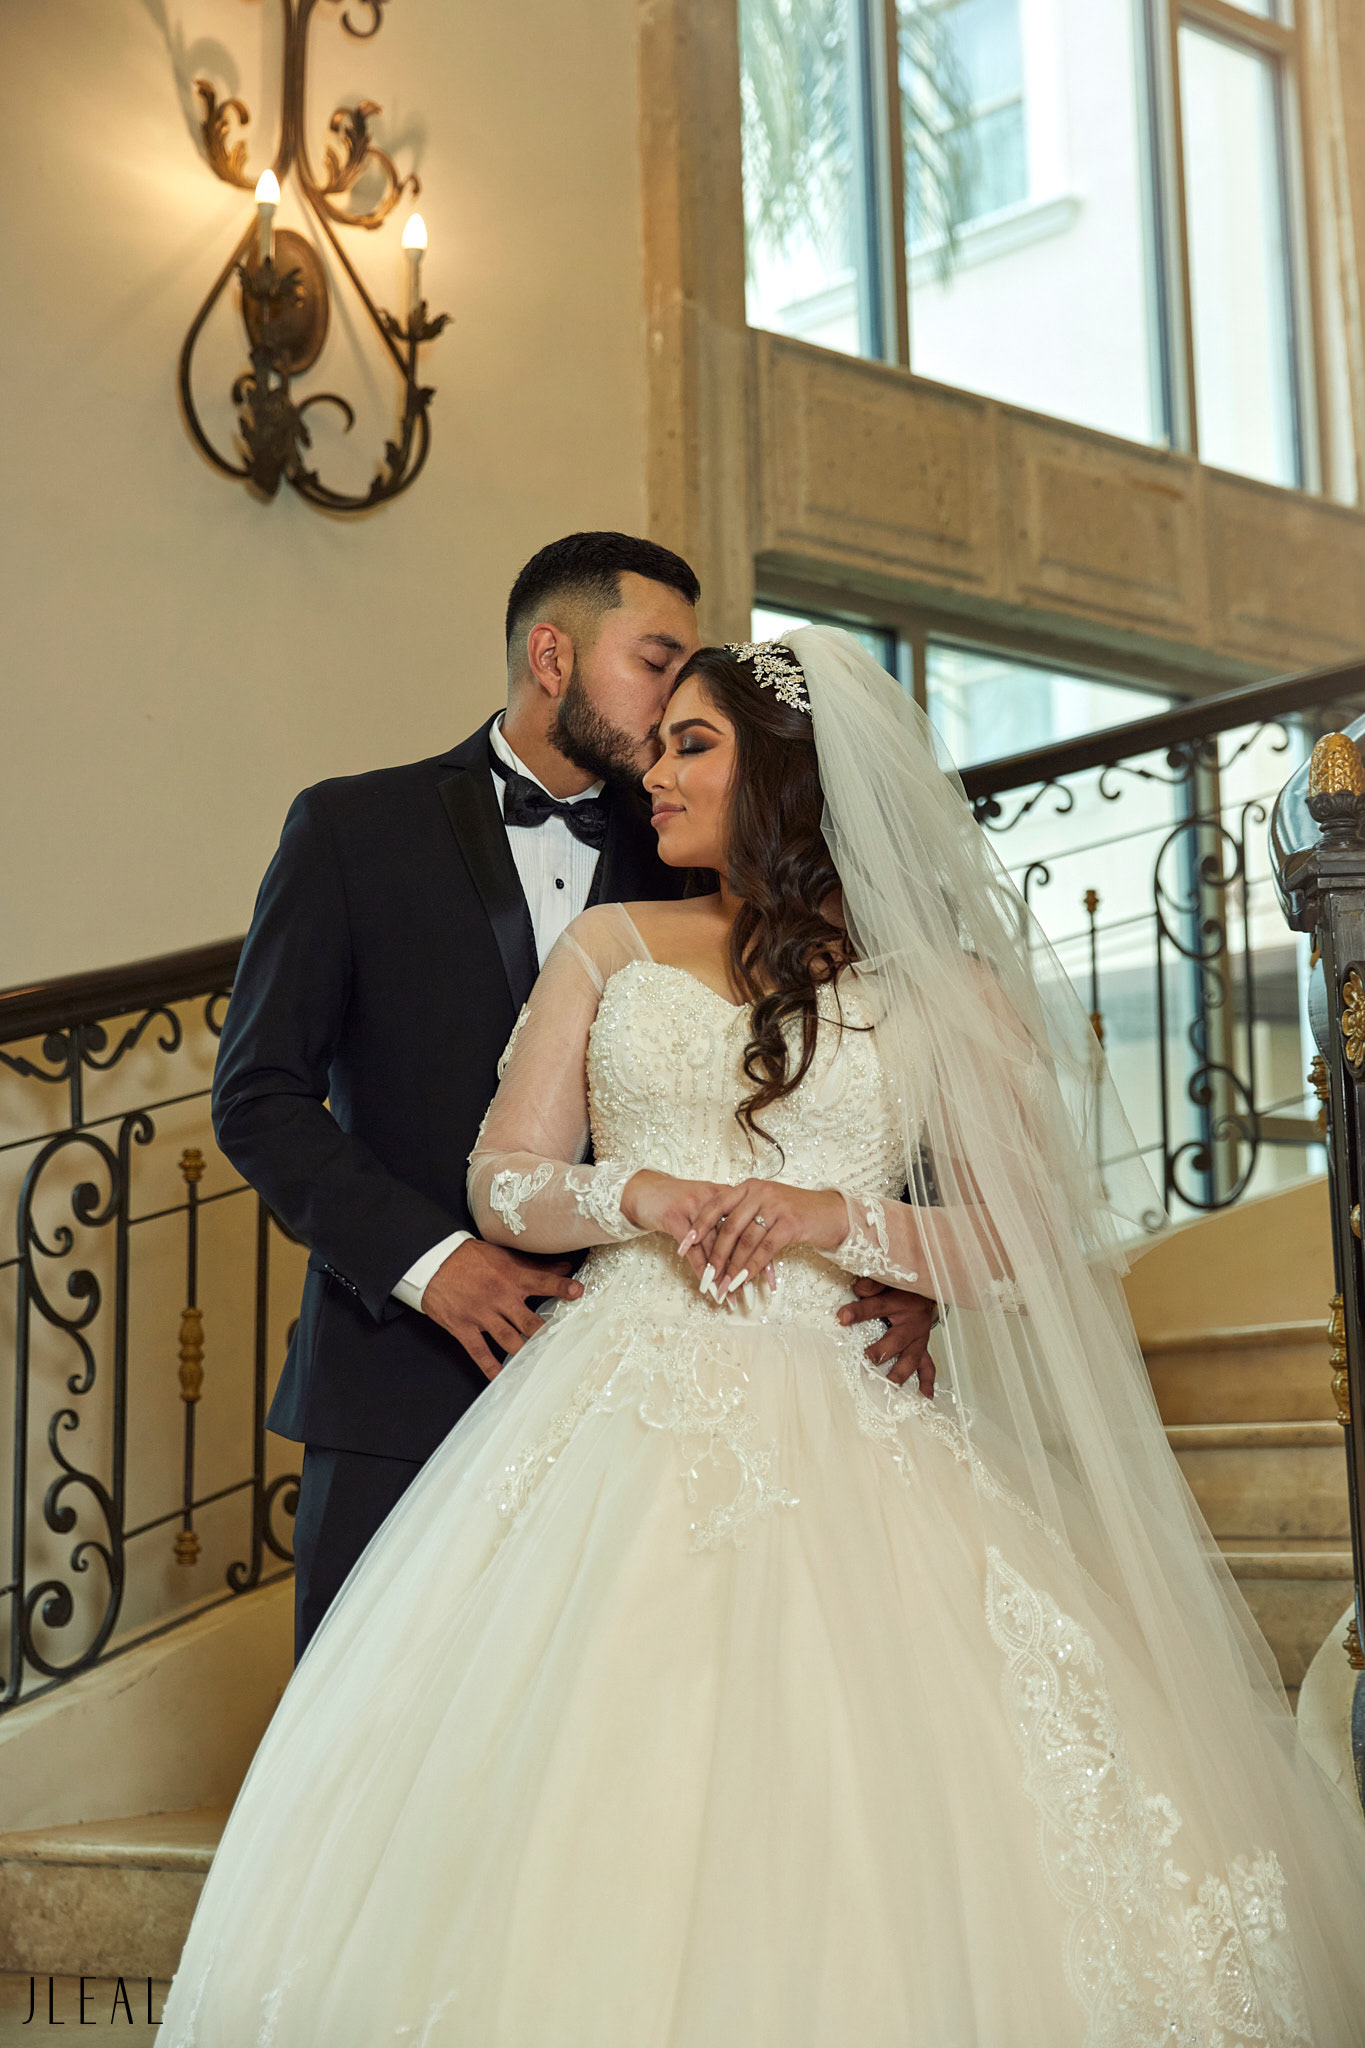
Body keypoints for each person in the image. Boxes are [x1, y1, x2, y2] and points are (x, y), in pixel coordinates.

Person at [163, 629, 1365, 2045]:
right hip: (617, 1398)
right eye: (659, 742)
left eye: (693, 745)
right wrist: (639, 1195)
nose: (653, 775)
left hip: (850, 1403)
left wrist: (830, 1217)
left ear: (790, 778)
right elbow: (501, 1180)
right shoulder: (609, 944)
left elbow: (1026, 1233)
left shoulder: (944, 990)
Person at [212, 537, 933, 1661]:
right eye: (656, 661)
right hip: (401, 1369)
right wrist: (433, 1264)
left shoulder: (698, 843)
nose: (675, 701)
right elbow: (259, 1096)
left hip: (681, 1385)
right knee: (379, 1713)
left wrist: (904, 1266)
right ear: (552, 657)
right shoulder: (354, 829)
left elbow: (856, 1062)